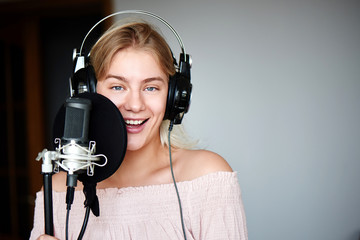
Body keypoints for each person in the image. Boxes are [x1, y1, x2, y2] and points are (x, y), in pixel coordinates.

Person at [30, 18, 248, 240]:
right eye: (117, 86)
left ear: (174, 99)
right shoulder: (58, 190)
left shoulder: (207, 178)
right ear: (89, 92)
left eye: (151, 87)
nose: (135, 105)